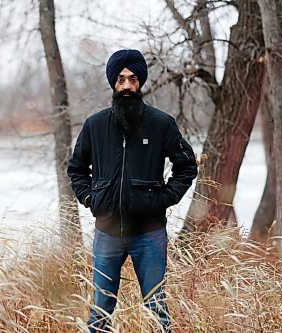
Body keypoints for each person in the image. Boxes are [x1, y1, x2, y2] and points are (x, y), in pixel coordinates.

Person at [67, 49, 198, 332]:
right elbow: (76, 169)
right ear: (113, 83)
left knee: (156, 310)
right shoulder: (95, 125)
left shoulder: (161, 123)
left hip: (149, 235)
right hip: (107, 233)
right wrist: (91, 198)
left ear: (140, 83)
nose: (127, 86)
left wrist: (163, 199)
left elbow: (186, 166)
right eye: (121, 80)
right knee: (100, 312)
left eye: (133, 79)